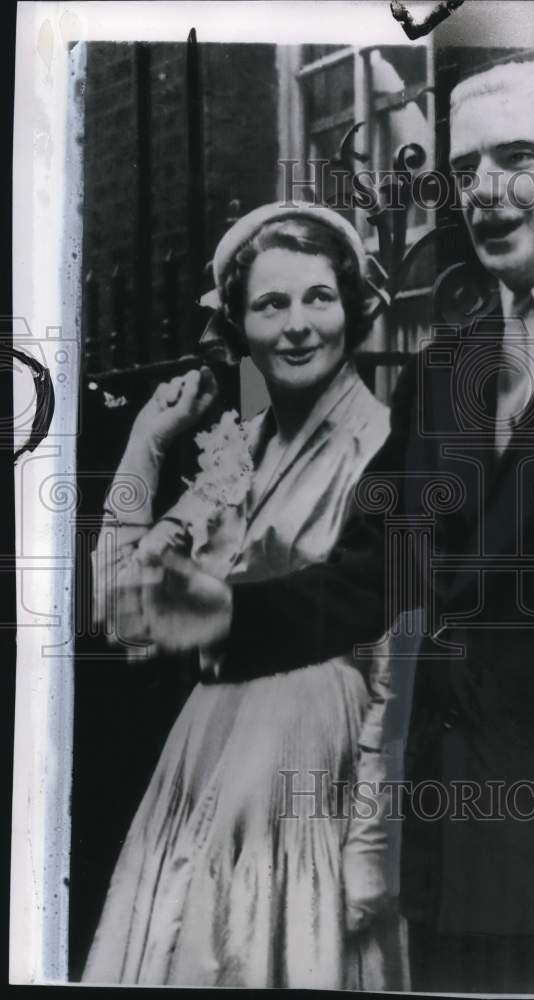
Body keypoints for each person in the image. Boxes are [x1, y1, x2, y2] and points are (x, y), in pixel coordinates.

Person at [130, 62, 534, 994]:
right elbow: (371, 572)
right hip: (457, 862)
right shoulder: (445, 372)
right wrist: (230, 614)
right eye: (466, 171)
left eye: (517, 159)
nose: (486, 194)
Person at [81, 203, 407, 989]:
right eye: (271, 304)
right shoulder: (239, 451)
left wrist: (373, 842)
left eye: (317, 298)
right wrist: (145, 446)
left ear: (353, 309)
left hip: (308, 758)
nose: (297, 326)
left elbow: (397, 669)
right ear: (239, 324)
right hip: (209, 742)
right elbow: (119, 606)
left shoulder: (388, 447)